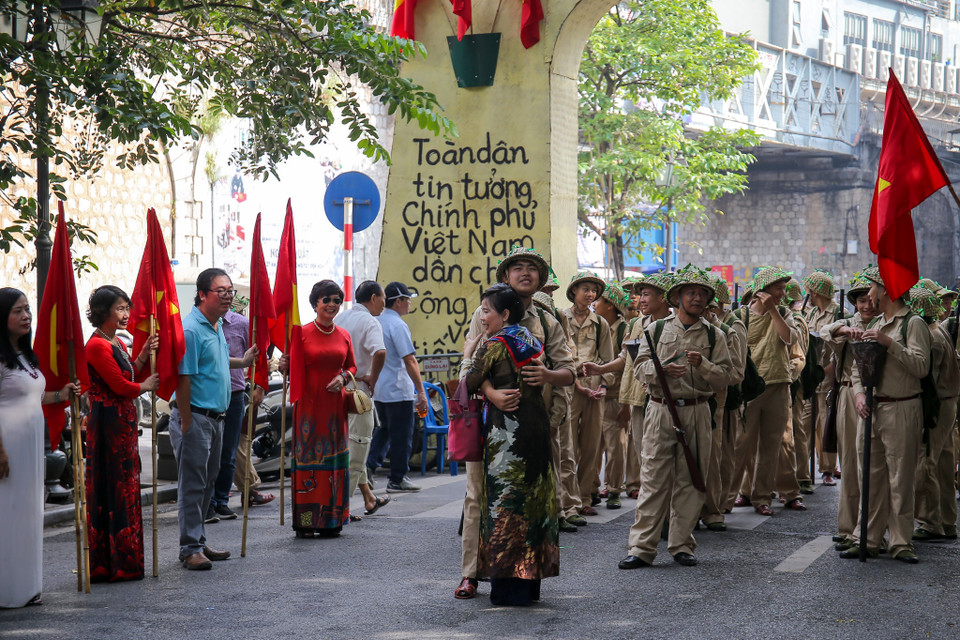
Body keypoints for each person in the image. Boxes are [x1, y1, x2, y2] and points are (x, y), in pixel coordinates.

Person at [456, 246, 575, 600]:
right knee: (478, 495)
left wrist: (548, 374)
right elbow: (469, 368)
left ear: (540, 278)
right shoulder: (484, 313)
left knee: (534, 499)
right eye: (517, 268)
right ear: (505, 277)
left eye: (532, 269)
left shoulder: (549, 319)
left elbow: (569, 372)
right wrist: (491, 392)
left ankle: (527, 571)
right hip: (489, 424)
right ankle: (472, 574)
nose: (525, 273)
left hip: (534, 426)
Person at [618, 266, 735, 569]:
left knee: (691, 481)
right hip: (660, 409)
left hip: (698, 411)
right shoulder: (655, 330)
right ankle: (641, 547)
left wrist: (705, 365)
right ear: (678, 297)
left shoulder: (715, 334)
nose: (697, 298)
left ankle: (682, 544)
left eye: (702, 294)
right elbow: (639, 367)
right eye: (691, 293)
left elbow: (727, 377)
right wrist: (662, 371)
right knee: (653, 479)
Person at [840, 266, 929, 563]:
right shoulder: (877, 321)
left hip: (902, 406)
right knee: (871, 477)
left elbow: (920, 367)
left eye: (873, 289)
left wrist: (889, 343)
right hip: (873, 408)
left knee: (900, 478)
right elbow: (857, 366)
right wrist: (859, 393)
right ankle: (868, 538)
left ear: (888, 290)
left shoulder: (912, 323)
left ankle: (901, 542)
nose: (868, 295)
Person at [171, 268, 256, 570]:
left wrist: (242, 362)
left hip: (217, 417)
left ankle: (199, 540)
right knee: (193, 485)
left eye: (230, 290)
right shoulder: (192, 329)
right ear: (203, 294)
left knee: (208, 483)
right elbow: (184, 376)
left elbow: (215, 360)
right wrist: (184, 420)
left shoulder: (215, 324)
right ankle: (190, 548)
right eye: (221, 291)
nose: (228, 296)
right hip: (195, 416)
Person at [0, 288, 78, 606]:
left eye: (28, 309)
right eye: (17, 310)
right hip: (7, 446)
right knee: (8, 514)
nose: (26, 316)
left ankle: (26, 586)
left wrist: (61, 395)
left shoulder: (25, 356)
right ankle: (6, 590)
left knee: (29, 514)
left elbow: (32, 396)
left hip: (30, 448)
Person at [84, 286, 159, 582]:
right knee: (112, 488)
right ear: (103, 312)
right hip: (107, 425)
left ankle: (125, 559)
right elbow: (121, 387)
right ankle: (112, 562)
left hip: (123, 424)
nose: (126, 314)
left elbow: (130, 374)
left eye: (127, 308)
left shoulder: (116, 342)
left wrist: (141, 355)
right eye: (119, 308)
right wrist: (147, 386)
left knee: (126, 485)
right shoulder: (97, 346)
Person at [281, 280, 356, 537]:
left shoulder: (344, 335)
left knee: (335, 463)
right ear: (316, 304)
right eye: (327, 300)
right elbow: (291, 367)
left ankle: (332, 521)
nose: (332, 305)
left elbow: (352, 366)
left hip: (335, 410)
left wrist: (343, 377)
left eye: (336, 300)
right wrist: (284, 364)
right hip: (309, 410)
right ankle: (306, 521)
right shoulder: (300, 333)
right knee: (308, 463)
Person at [730, 266, 799, 516]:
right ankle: (728, 497)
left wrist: (773, 310)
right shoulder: (740, 316)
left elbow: (790, 339)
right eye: (778, 288)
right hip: (749, 388)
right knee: (739, 444)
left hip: (779, 384)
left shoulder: (783, 313)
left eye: (783, 288)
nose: (783, 293)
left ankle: (762, 497)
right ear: (763, 290)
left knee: (770, 446)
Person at [821, 273, 876, 549]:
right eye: (861, 300)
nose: (867, 305)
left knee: (872, 465)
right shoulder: (847, 324)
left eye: (871, 300)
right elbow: (822, 332)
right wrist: (843, 331)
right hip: (846, 394)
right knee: (850, 464)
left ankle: (867, 529)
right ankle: (847, 528)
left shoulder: (884, 325)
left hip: (878, 397)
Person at [208, 295, 267, 522]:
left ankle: (222, 500)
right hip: (208, 394)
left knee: (230, 451)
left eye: (228, 293)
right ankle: (209, 502)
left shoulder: (242, 324)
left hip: (234, 394)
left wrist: (259, 385)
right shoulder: (201, 325)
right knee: (210, 451)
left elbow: (260, 356)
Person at [907, 286, 959, 543]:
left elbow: (926, 379)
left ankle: (930, 522)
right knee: (943, 464)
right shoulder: (939, 329)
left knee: (925, 463)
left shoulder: (929, 335)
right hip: (948, 402)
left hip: (937, 404)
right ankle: (947, 521)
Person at [334, 280, 391, 517]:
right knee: (358, 447)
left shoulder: (341, 317)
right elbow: (380, 351)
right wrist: (373, 379)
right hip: (358, 390)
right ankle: (342, 508)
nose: (383, 306)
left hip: (336, 389)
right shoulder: (370, 321)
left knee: (350, 445)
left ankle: (368, 498)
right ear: (375, 297)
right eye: (384, 300)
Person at [366, 282, 428, 493]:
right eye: (407, 299)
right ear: (398, 301)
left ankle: (368, 467)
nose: (410, 303)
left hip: (380, 390)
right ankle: (397, 478)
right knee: (402, 435)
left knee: (382, 432)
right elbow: (409, 360)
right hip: (398, 389)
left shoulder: (376, 322)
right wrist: (421, 391)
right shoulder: (398, 325)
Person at [561, 271, 615, 514]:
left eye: (593, 290)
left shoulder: (601, 323)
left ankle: (583, 497)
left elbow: (608, 359)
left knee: (592, 445)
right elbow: (558, 356)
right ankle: (566, 500)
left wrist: (603, 386)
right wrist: (575, 383)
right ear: (574, 291)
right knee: (568, 445)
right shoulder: (561, 318)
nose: (590, 294)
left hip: (594, 388)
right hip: (569, 386)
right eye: (585, 288)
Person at [803, 269, 843, 486]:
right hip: (810, 374)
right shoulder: (809, 313)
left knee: (826, 422)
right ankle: (802, 469)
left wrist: (829, 369)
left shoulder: (839, 313)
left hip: (828, 375)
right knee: (806, 421)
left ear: (815, 293)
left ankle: (827, 468)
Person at [592, 283, 630, 509]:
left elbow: (627, 367)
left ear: (611, 306)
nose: (594, 304)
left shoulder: (624, 329)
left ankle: (615, 489)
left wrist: (625, 402)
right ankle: (592, 487)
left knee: (616, 447)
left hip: (616, 396)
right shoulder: (596, 326)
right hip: (595, 394)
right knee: (593, 445)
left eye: (599, 300)